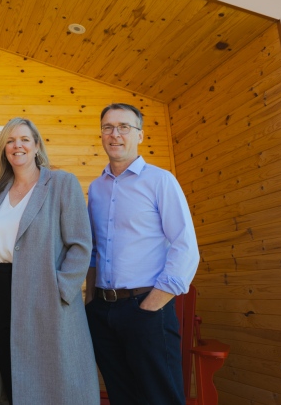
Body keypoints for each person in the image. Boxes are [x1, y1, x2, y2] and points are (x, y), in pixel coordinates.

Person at [0, 118, 99, 405]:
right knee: (10, 376)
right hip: (1, 293)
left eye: (24, 139)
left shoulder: (61, 183)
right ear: (4, 149)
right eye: (10, 140)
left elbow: (81, 244)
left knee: (52, 379)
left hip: (45, 293)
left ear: (36, 145)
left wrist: (61, 289)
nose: (17, 145)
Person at [85, 103, 199, 404]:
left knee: (160, 397)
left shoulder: (160, 181)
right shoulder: (96, 189)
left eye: (124, 127)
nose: (115, 134)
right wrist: (90, 304)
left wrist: (153, 305)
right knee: (122, 396)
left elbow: (185, 245)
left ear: (140, 135)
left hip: (145, 308)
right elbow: (94, 251)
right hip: (103, 312)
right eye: (108, 127)